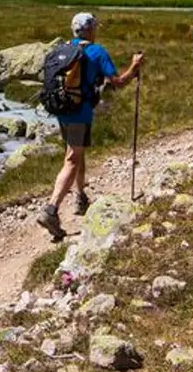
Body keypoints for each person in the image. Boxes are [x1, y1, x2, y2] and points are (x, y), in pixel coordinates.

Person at [37, 12, 144, 241]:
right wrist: (134, 67)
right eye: (95, 27)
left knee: (76, 151)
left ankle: (80, 196)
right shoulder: (96, 51)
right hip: (79, 111)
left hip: (60, 108)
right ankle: (51, 210)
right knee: (73, 158)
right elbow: (117, 82)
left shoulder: (61, 49)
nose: (96, 30)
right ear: (89, 29)